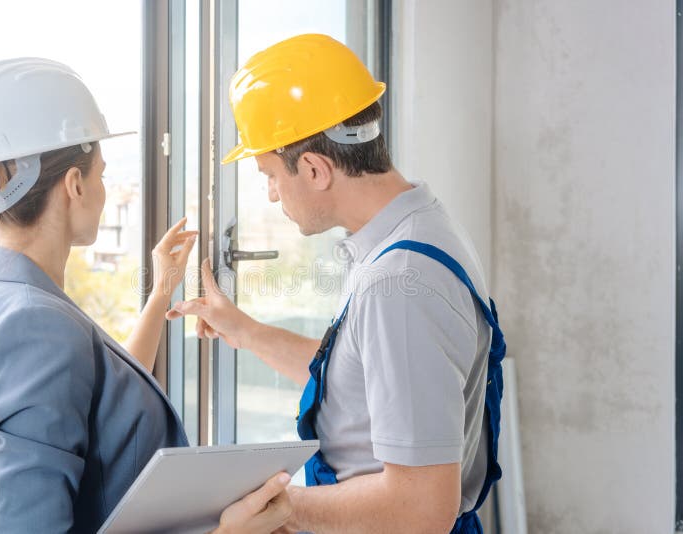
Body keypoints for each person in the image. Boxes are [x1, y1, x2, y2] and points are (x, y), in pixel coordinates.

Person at [0, 57, 292, 534]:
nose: (104, 189)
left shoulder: (15, 298)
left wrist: (162, 289)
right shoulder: (32, 324)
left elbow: (100, 401)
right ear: (75, 185)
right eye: (101, 175)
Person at [167, 34, 506, 533]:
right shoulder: (414, 228)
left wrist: (280, 507)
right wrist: (243, 331)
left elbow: (420, 508)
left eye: (270, 175)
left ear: (314, 169)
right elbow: (359, 380)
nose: (271, 194)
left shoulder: (400, 282)